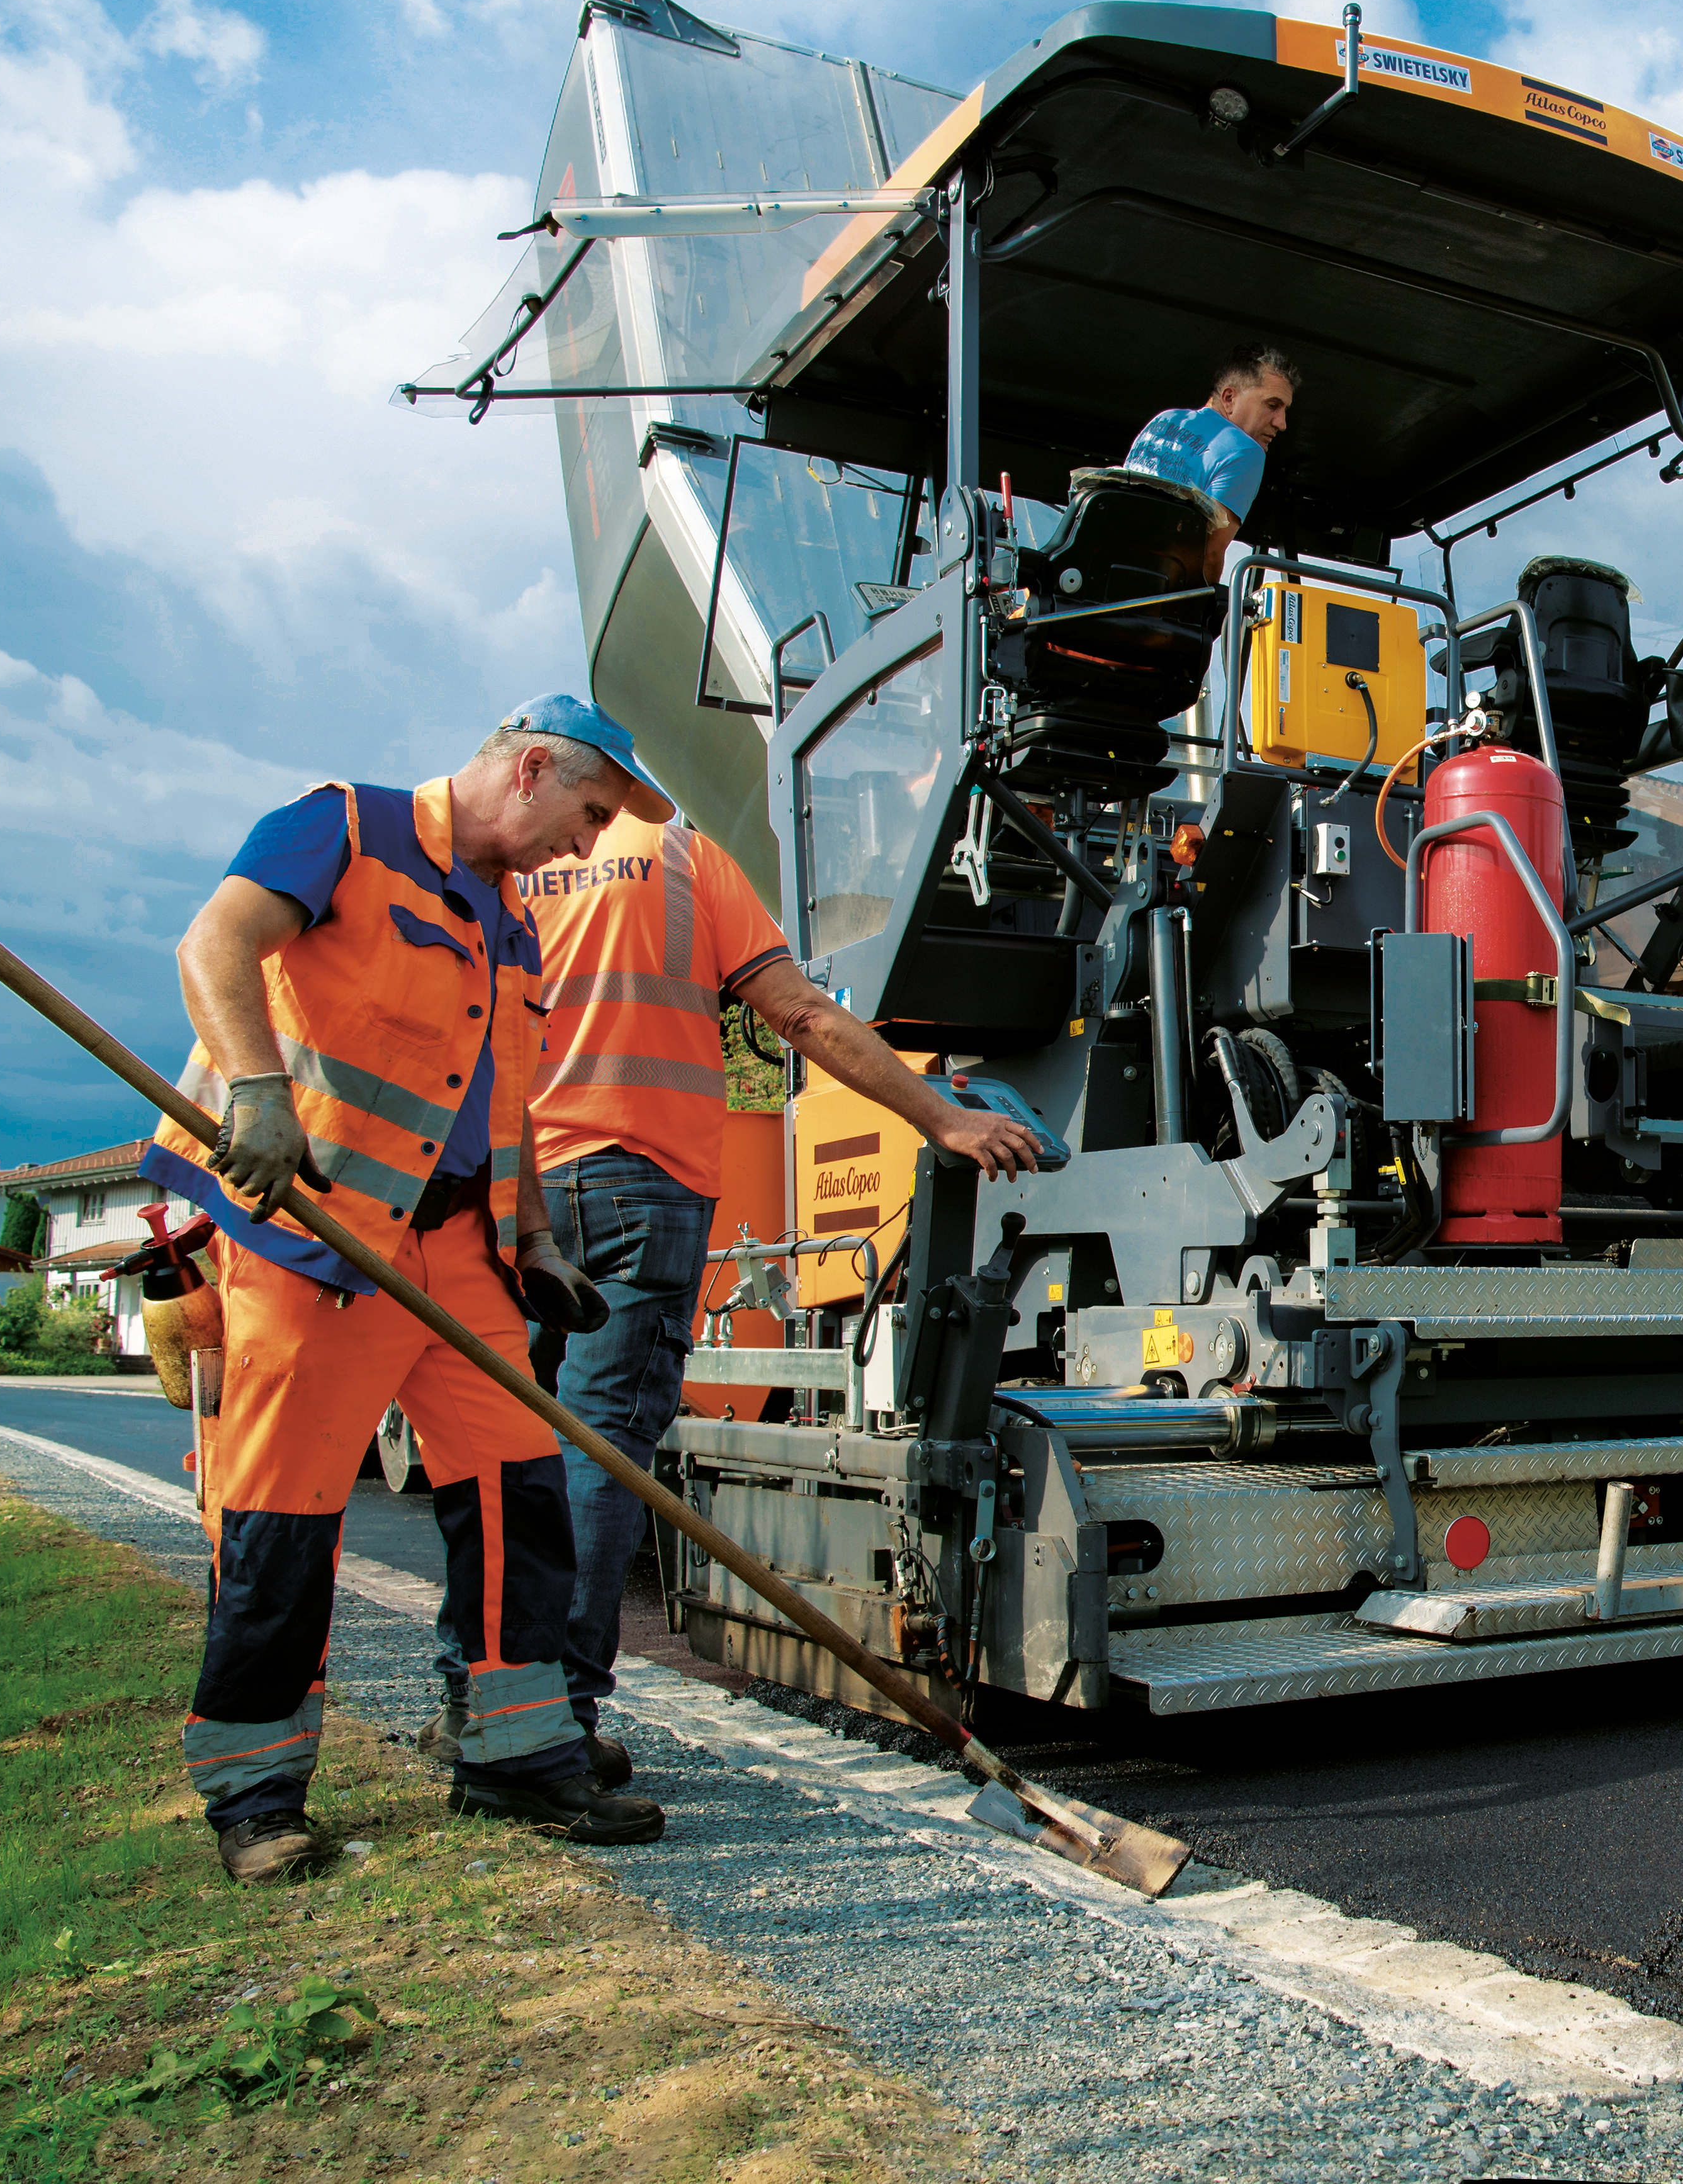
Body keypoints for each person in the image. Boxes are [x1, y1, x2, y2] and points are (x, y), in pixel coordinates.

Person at [143, 698, 672, 1882]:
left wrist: (535, 1238)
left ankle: (517, 1755)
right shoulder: (340, 829)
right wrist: (253, 1093)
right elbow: (213, 947)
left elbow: (506, 1106)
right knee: (280, 1523)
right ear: (530, 768)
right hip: (315, 1245)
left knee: (517, 1496)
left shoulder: (511, 931)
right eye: (586, 816)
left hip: (461, 1259)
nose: (583, 846)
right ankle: (256, 1795)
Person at [411, 804, 1049, 1776]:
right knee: (602, 1449)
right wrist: (938, 1115)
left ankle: (475, 1699)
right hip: (636, 1182)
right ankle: (555, 1720)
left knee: (494, 1451)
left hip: (502, 1185)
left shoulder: (493, 857)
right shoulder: (681, 859)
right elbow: (799, 1013)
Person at [1122, 341, 1298, 584]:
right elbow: (1209, 557)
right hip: (1152, 598)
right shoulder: (1247, 452)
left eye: (1284, 410)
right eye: (1272, 405)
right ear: (1229, 398)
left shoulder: (1165, 420)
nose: (1282, 423)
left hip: (1097, 582)